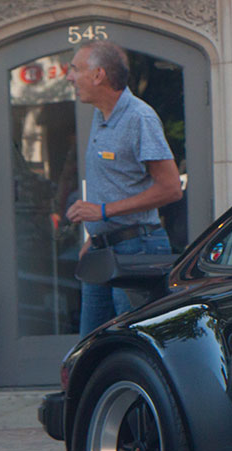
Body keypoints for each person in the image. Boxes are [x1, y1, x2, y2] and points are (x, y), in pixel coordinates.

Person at [65, 41, 182, 333]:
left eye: (75, 69)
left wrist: (102, 212)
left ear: (98, 75)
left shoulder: (139, 118)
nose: (69, 77)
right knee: (91, 345)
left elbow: (171, 189)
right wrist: (96, 238)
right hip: (104, 250)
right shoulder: (100, 116)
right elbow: (117, 183)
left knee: (135, 344)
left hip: (137, 250)